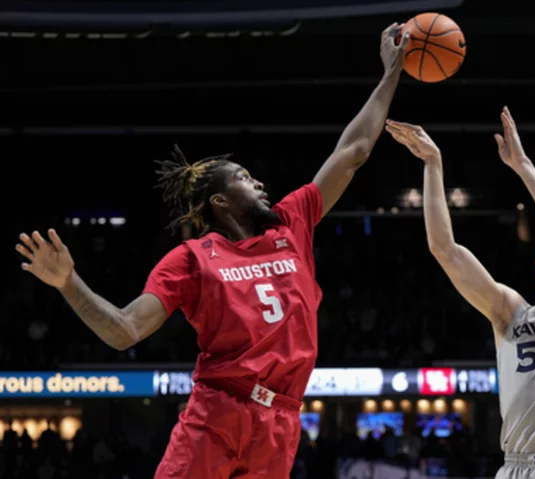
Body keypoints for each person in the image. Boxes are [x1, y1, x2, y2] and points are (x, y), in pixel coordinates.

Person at [15, 23, 410, 479]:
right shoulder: (191, 258)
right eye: (244, 177)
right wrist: (68, 282)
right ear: (220, 201)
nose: (259, 182)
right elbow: (124, 330)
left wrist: (390, 74)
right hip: (218, 414)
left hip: (280, 422)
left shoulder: (291, 221)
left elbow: (355, 149)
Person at [385, 107, 535, 478]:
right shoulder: (513, 312)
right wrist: (433, 164)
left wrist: (523, 166)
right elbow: (444, 249)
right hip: (514, 468)